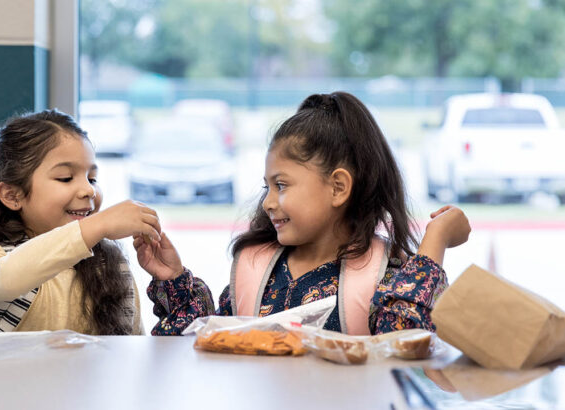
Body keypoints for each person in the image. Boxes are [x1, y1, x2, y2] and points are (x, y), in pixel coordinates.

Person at [134, 92, 471, 336]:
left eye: (282, 185)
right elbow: (201, 339)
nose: (268, 202)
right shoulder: (258, 269)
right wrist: (174, 279)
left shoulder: (387, 274)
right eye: (267, 187)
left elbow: (405, 340)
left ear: (338, 187)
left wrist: (435, 240)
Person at [0, 109, 163, 335]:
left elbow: (132, 344)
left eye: (92, 178)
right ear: (12, 195)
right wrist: (97, 226)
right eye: (65, 178)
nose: (88, 190)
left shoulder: (108, 266)